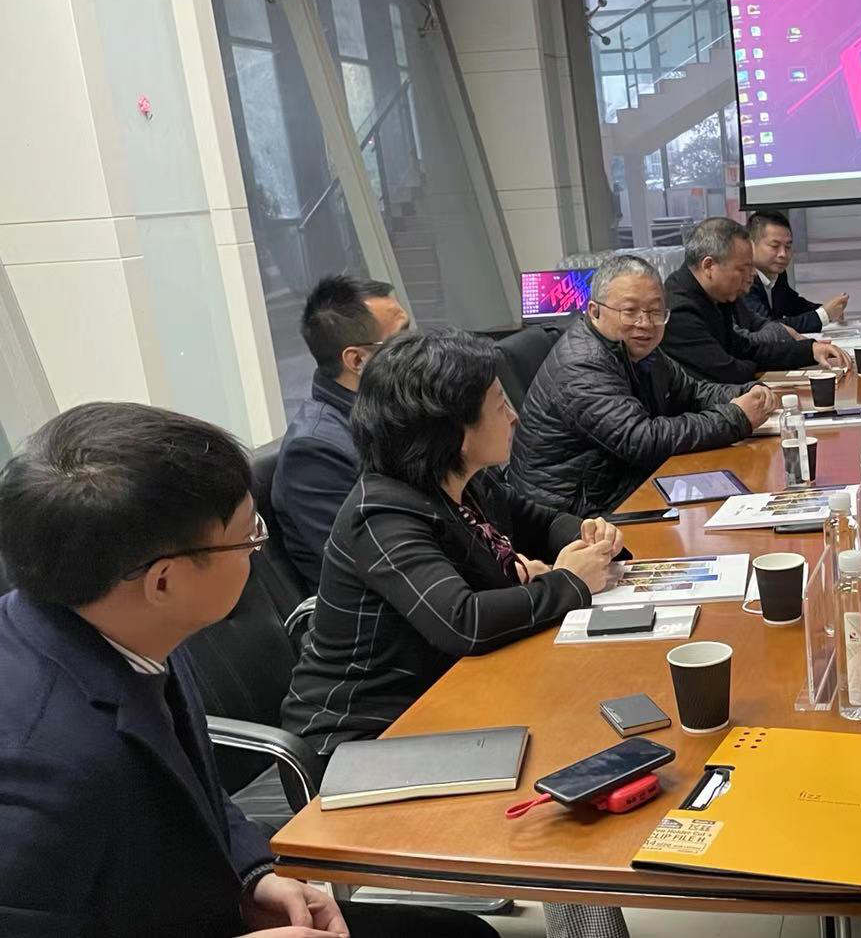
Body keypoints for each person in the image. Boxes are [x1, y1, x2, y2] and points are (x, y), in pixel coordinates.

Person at [0, 402, 494, 937]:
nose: (258, 550)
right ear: (164, 581)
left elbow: (193, 787)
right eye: (248, 536)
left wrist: (253, 874)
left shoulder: (121, 619)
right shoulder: (42, 764)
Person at [282, 330, 623, 753]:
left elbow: (543, 523)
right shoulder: (380, 515)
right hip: (363, 738)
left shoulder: (465, 481)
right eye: (500, 405)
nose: (514, 416)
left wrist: (591, 535)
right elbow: (464, 623)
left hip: (452, 695)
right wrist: (570, 581)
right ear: (455, 432)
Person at [509, 255, 777, 517]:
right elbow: (641, 439)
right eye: (630, 311)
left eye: (655, 311)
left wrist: (747, 393)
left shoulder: (637, 349)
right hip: (572, 516)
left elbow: (692, 392)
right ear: (594, 311)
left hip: (620, 486)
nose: (645, 323)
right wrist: (736, 417)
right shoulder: (582, 365)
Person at [273, 275, 410, 592]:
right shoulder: (314, 452)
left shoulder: (397, 409)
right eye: (402, 341)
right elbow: (376, 565)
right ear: (357, 360)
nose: (419, 349)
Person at [661, 217, 854, 384]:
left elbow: (745, 349)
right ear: (709, 266)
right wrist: (756, 364)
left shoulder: (715, 295)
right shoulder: (679, 310)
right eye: (742, 268)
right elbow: (727, 371)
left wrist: (810, 350)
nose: (751, 275)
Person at [742, 210, 849, 333]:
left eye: (788, 246)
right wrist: (823, 315)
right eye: (775, 246)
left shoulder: (778, 274)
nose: (783, 254)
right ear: (751, 246)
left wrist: (826, 309)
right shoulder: (743, 280)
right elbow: (767, 328)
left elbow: (793, 304)